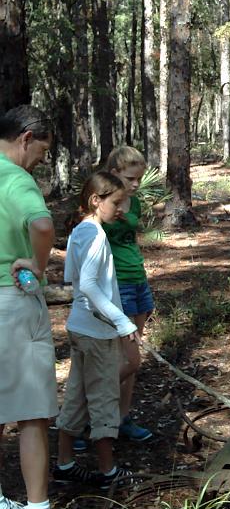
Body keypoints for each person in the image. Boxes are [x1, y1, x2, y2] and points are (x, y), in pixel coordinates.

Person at [0, 105, 84, 509]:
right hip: (12, 301)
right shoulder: (15, 179)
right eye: (41, 153)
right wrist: (35, 264)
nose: (40, 163)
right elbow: (43, 224)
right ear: (27, 137)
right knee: (31, 413)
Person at [53, 172, 139, 489]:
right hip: (97, 335)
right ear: (96, 200)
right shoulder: (96, 236)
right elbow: (87, 284)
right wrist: (121, 321)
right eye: (115, 202)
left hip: (79, 328)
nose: (120, 209)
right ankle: (108, 472)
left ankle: (65, 463)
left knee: (76, 395)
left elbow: (71, 277)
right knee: (103, 400)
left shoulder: (80, 231)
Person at [102, 146, 153, 442]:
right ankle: (87, 413)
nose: (136, 184)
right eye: (131, 178)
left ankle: (122, 417)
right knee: (123, 358)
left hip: (137, 279)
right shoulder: (102, 205)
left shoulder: (133, 204)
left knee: (133, 358)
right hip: (116, 284)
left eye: (139, 178)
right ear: (114, 173)